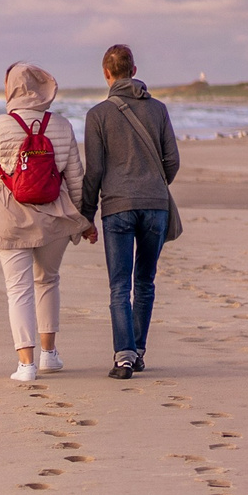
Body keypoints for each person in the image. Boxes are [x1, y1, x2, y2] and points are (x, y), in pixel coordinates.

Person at [0, 62, 94, 384]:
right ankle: (49, 354)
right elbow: (75, 178)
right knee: (48, 280)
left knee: (18, 290)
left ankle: (25, 365)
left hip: (10, 217)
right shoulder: (62, 125)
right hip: (54, 218)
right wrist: (82, 219)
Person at [80, 43, 181, 379]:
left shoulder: (97, 115)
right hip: (155, 205)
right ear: (134, 71)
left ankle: (124, 356)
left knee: (119, 286)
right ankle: (138, 350)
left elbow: (93, 171)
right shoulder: (160, 109)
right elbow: (173, 161)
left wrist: (86, 214)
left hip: (118, 208)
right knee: (146, 281)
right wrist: (154, 183)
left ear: (106, 74)